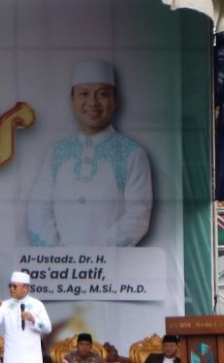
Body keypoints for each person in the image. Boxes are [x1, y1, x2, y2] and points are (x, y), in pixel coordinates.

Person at [27, 59, 153, 247]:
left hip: (111, 262)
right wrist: (59, 256)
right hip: (60, 263)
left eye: (102, 94)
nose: (92, 102)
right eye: (84, 94)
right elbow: (38, 209)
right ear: (73, 100)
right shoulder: (56, 153)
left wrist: (95, 257)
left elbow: (137, 216)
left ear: (115, 100)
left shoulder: (132, 154)